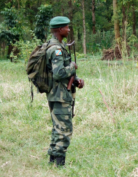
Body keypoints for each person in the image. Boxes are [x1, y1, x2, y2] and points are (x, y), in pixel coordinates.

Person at [46, 16, 84, 167]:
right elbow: (58, 73)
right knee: (64, 128)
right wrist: (72, 66)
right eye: (67, 27)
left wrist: (76, 80)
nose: (69, 29)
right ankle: (59, 164)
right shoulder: (56, 50)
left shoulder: (55, 46)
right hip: (60, 95)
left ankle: (52, 160)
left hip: (57, 93)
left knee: (57, 127)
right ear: (59, 29)